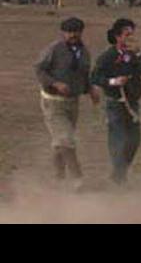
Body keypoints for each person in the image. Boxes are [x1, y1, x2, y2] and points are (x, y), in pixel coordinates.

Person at [34, 17, 100, 190]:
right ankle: (78, 178)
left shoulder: (84, 52)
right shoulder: (54, 49)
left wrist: (90, 89)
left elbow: (84, 75)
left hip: (73, 102)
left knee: (60, 143)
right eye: (69, 31)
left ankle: (58, 178)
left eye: (76, 31)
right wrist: (54, 83)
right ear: (63, 33)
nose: (72, 35)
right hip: (53, 102)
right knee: (66, 140)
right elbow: (39, 69)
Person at [91, 18, 141, 186]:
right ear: (118, 37)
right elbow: (95, 77)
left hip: (132, 104)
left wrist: (140, 54)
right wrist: (113, 82)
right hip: (114, 103)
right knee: (118, 139)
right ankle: (119, 177)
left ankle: (120, 172)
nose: (131, 39)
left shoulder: (135, 55)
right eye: (127, 35)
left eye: (132, 35)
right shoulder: (108, 56)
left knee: (134, 140)